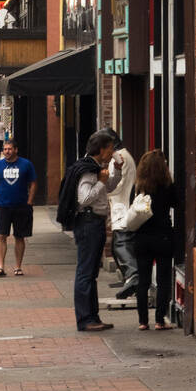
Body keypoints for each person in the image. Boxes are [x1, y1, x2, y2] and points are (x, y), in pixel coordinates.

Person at [69, 130, 124, 332]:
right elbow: (84, 199)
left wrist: (115, 171)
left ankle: (92, 317)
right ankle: (85, 318)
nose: (112, 152)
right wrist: (100, 181)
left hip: (94, 222)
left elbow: (109, 187)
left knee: (91, 272)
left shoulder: (96, 168)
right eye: (110, 148)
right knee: (86, 271)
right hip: (89, 222)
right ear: (101, 149)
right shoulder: (88, 170)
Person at [132, 150, 178, 332]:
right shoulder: (167, 186)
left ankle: (143, 321)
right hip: (163, 236)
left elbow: (132, 208)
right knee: (163, 279)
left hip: (142, 237)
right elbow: (178, 204)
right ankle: (160, 320)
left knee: (143, 280)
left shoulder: (138, 187)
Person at [0, 138, 36, 276]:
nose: (7, 151)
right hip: (3, 206)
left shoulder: (26, 164)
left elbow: (33, 183)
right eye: (5, 149)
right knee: (1, 235)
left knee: (20, 236)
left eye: (10, 149)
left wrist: (29, 201)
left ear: (16, 150)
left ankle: (18, 266)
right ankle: (0, 266)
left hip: (22, 206)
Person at [107, 139, 138, 301]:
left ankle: (133, 276)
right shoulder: (126, 155)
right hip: (122, 205)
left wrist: (101, 191)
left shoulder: (118, 158)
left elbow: (114, 184)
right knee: (116, 246)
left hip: (121, 207)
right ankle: (129, 280)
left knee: (121, 245)